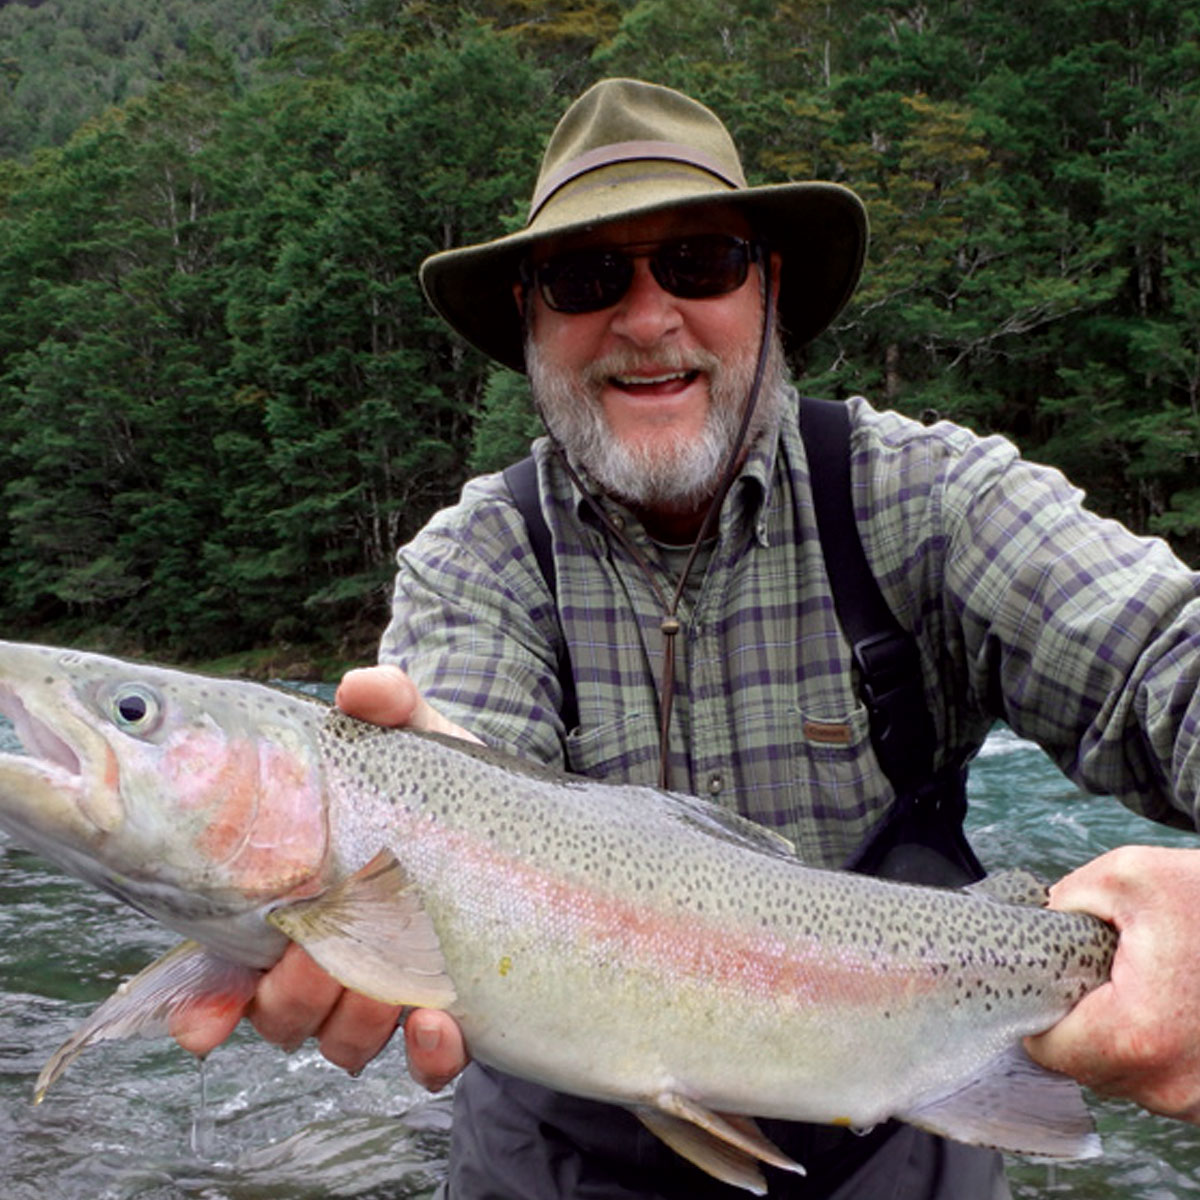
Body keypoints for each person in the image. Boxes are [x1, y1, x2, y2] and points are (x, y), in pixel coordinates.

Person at [182, 79, 1200, 1196]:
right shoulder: (475, 562)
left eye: (701, 262)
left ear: (769, 290)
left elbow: (1169, 657)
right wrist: (385, 836)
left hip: (904, 1109)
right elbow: (455, 765)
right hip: (565, 1145)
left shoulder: (931, 502)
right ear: (532, 321)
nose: (648, 316)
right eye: (584, 277)